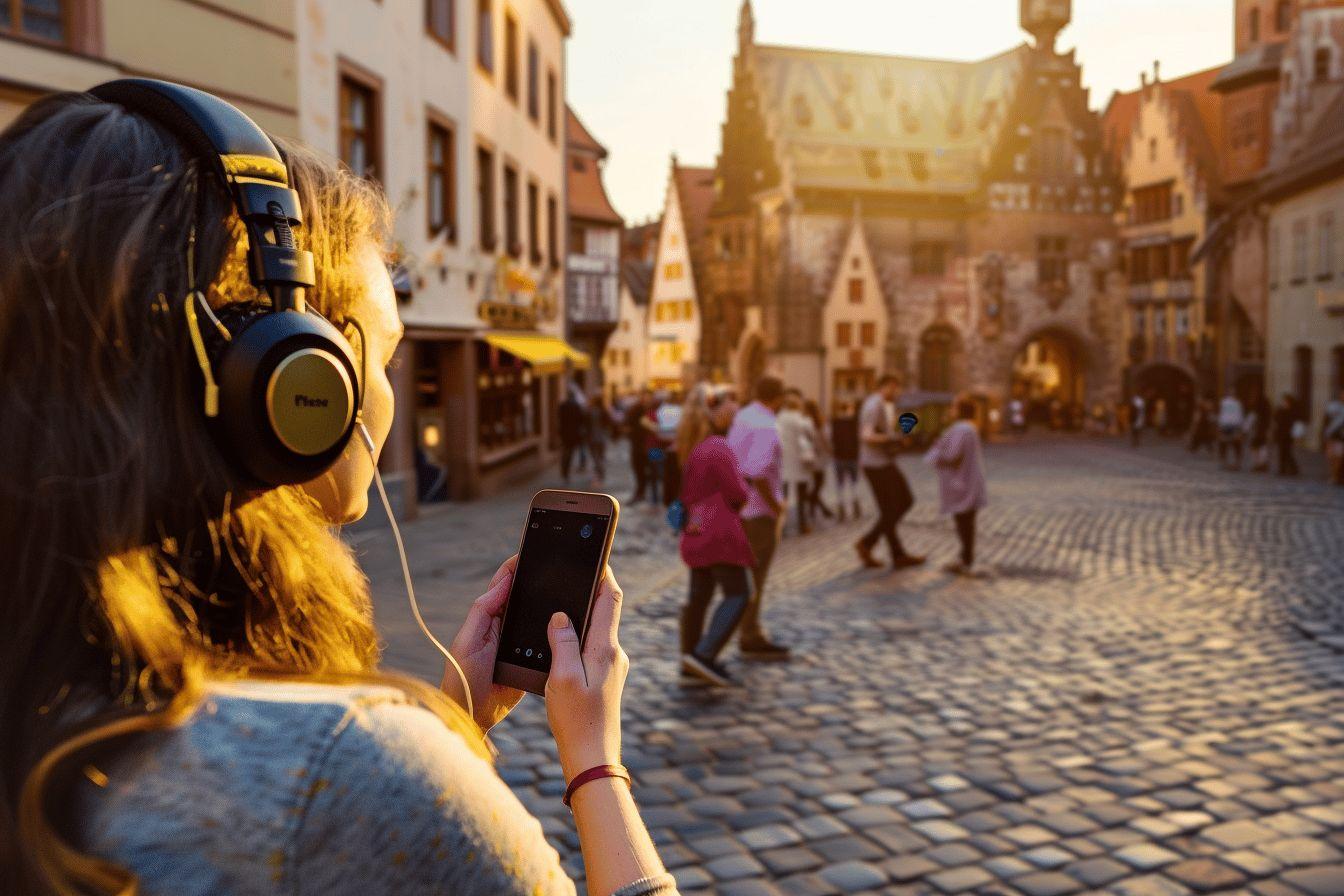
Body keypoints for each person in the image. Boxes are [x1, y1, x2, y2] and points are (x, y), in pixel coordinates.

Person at [0, 88, 676, 896]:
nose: (379, 397)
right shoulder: (343, 783)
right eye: (378, 359)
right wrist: (595, 763)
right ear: (296, 391)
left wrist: (455, 713)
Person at [675, 388, 752, 686]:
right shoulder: (719, 446)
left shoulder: (692, 448)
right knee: (739, 593)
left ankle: (689, 662)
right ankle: (704, 656)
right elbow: (738, 492)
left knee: (699, 597)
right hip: (719, 532)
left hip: (695, 530)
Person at [726, 376, 792, 660]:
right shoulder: (767, 425)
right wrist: (776, 508)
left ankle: (746, 629)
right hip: (758, 512)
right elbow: (759, 472)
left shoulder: (743, 416)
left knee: (745, 573)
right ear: (778, 397)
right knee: (756, 575)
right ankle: (750, 633)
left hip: (739, 509)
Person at [854, 374, 925, 571]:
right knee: (903, 502)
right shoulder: (874, 404)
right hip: (877, 465)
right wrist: (893, 438)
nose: (898, 393)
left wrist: (896, 440)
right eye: (896, 388)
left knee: (890, 510)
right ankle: (868, 543)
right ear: (887, 386)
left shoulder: (881, 404)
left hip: (880, 462)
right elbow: (866, 436)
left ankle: (897, 554)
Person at [925, 399, 989, 576]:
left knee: (964, 522)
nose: (951, 410)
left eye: (953, 407)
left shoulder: (962, 428)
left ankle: (966, 560)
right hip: (969, 481)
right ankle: (965, 557)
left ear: (960, 410)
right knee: (966, 521)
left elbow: (952, 454)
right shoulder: (970, 427)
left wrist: (938, 447)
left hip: (962, 483)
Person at [776, 390, 816, 536]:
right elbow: (812, 436)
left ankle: (782, 525)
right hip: (800, 460)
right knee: (802, 495)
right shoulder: (802, 419)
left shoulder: (778, 418)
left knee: (783, 495)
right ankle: (802, 524)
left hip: (783, 461)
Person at [804, 399, 836, 523]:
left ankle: (814, 509)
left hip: (807, 457)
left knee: (814, 485)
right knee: (818, 484)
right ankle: (822, 509)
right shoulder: (820, 422)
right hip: (820, 458)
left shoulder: (803, 422)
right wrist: (831, 451)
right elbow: (826, 439)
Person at [830, 401, 862, 520]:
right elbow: (858, 438)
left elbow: (832, 439)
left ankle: (841, 506)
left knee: (840, 484)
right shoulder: (854, 422)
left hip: (839, 456)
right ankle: (855, 504)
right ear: (849, 408)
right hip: (853, 456)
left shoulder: (835, 422)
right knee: (854, 482)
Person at [624, 389, 652, 503]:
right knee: (640, 470)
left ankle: (641, 492)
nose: (647, 399)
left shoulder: (643, 409)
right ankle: (641, 492)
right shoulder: (639, 409)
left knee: (642, 470)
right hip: (640, 444)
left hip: (643, 445)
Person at [558, 387, 589, 484]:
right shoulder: (576, 406)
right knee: (573, 452)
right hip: (575, 433)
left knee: (566, 453)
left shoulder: (562, 406)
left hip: (565, 434)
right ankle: (578, 466)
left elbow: (559, 419)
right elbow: (582, 419)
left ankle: (565, 472)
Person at [1273, 393, 1302, 476]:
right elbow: (1276, 419)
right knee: (1282, 452)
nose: (1283, 402)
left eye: (1285, 401)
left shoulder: (1292, 411)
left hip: (1288, 435)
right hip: (1281, 433)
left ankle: (1292, 468)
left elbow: (1293, 423)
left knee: (1287, 452)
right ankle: (1283, 469)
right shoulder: (1280, 410)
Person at [585, 388, 609, 487]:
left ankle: (597, 476)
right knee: (600, 457)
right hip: (602, 437)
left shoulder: (589, 411)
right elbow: (608, 424)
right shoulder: (604, 410)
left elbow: (586, 425)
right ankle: (600, 475)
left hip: (592, 438)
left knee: (595, 458)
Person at [1217, 389, 1246, 470]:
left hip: (1230, 425)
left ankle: (1230, 462)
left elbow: (1222, 413)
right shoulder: (1229, 402)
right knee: (1231, 444)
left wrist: (1220, 425)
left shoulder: (1234, 403)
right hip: (1230, 425)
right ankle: (1232, 462)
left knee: (1231, 444)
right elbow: (1239, 415)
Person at [1323, 387, 1344, 485]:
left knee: (1339, 457)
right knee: (1331, 457)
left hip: (1341, 438)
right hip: (1331, 436)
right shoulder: (1332, 407)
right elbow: (1325, 421)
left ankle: (1335, 476)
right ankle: (1333, 475)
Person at [1247, 393, 1272, 472]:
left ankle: (1258, 464)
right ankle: (1263, 463)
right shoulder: (1267, 412)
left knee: (1254, 448)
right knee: (1263, 447)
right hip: (1263, 432)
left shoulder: (1255, 411)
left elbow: (1250, 421)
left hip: (1256, 432)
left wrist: (1245, 430)